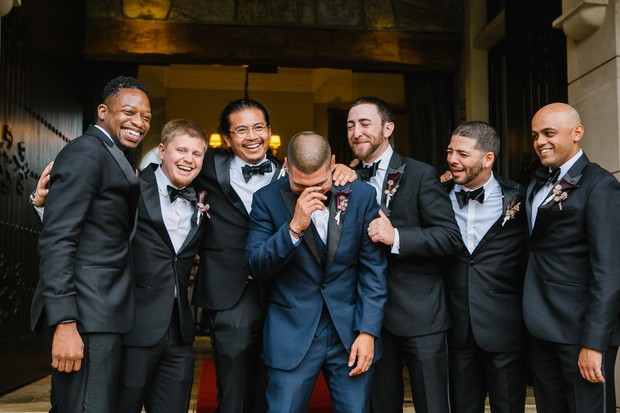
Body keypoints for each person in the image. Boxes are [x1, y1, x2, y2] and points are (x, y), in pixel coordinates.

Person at [191, 99, 355, 413]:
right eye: (241, 130)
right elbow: (171, 169)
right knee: (233, 390)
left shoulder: (293, 170)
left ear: (270, 131)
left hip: (284, 290)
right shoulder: (206, 166)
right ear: (227, 139)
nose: (252, 136)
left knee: (275, 385)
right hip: (231, 290)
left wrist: (348, 168)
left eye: (258, 128)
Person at [30, 75, 151, 413]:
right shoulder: (86, 152)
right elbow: (59, 239)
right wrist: (65, 323)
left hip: (102, 314)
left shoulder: (111, 155)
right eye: (129, 111)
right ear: (102, 111)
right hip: (85, 316)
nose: (139, 122)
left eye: (146, 117)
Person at [244, 131, 387, 413]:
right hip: (291, 333)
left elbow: (374, 270)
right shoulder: (266, 199)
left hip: (349, 334)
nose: (313, 192)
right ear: (286, 164)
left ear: (333, 163)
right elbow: (255, 266)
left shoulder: (361, 195)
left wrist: (368, 331)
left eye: (321, 183)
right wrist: (293, 227)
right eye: (300, 185)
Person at [346, 96, 461, 413]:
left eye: (365, 123)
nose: (357, 132)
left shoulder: (420, 174)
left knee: (432, 404)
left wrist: (396, 236)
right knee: (379, 405)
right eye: (351, 125)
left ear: (388, 128)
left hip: (420, 314)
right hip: (369, 319)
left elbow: (450, 237)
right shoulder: (344, 177)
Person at [523, 102, 620, 413]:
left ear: (577, 133)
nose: (540, 142)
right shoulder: (536, 181)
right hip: (541, 327)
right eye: (536, 135)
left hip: (580, 331)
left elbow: (609, 271)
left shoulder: (600, 185)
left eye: (549, 133)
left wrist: (594, 344)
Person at [115, 119, 207, 413]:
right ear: (162, 151)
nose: (189, 160)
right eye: (182, 150)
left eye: (197, 154)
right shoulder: (131, 188)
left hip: (179, 333)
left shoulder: (203, 201)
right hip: (134, 326)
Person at [442, 121, 527, 412]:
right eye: (450, 151)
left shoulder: (520, 199)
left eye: (463, 154)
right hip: (456, 327)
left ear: (488, 158)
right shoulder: (436, 195)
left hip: (505, 327)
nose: (453, 159)